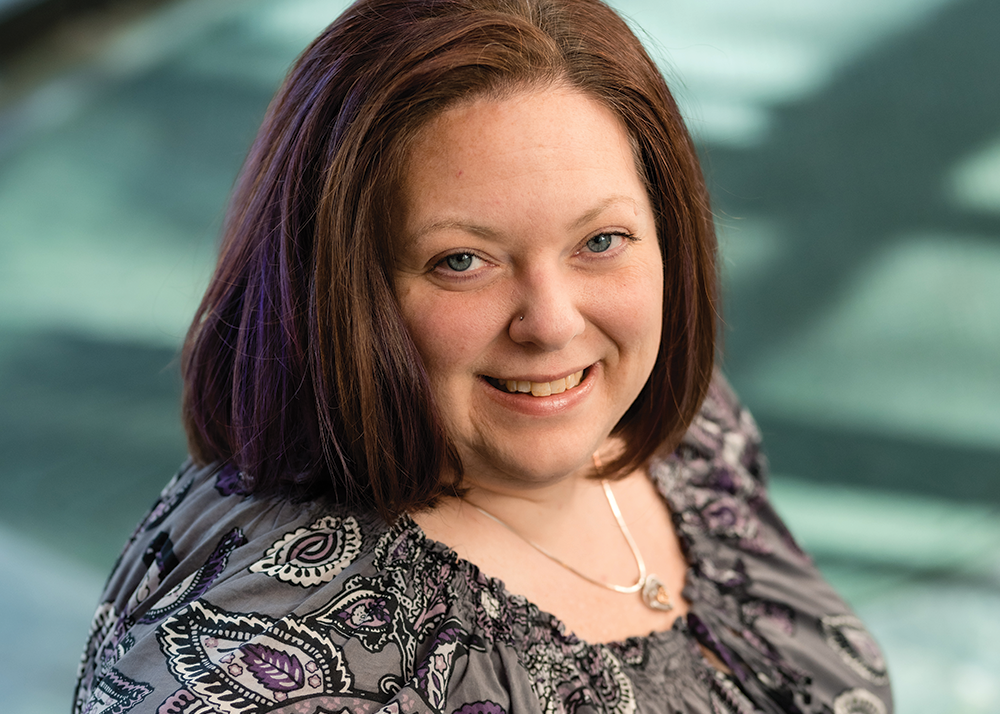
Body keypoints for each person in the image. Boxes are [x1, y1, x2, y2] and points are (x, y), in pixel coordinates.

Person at [73, 0, 892, 712]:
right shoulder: (267, 673)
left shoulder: (687, 431)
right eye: (462, 260)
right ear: (338, 290)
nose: (552, 323)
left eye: (601, 241)